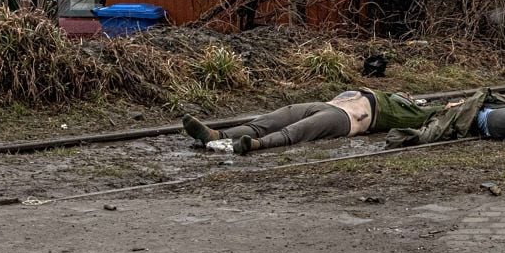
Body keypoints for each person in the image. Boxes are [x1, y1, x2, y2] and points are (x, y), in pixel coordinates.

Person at [182, 88, 436, 154]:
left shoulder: (406, 110)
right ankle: (216, 136)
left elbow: (433, 113)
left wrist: (451, 106)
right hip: (325, 105)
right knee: (270, 119)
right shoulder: (385, 94)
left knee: (296, 132)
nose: (408, 96)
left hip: (343, 119)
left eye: (410, 97)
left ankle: (255, 145)